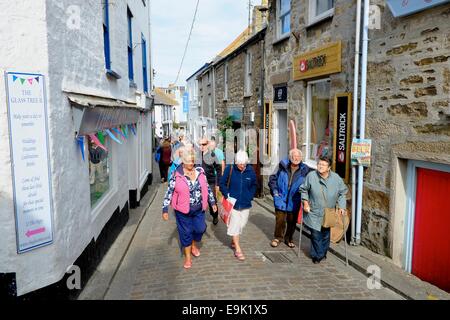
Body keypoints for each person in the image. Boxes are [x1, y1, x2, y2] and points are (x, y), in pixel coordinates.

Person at [162, 148, 217, 269]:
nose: (191, 163)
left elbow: (207, 188)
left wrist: (212, 202)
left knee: (200, 229)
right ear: (182, 161)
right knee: (185, 233)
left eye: (192, 161)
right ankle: (187, 257)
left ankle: (193, 244)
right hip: (182, 211)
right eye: (188, 161)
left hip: (199, 209)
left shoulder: (200, 171)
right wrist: (165, 209)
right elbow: (169, 192)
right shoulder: (176, 175)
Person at [299, 156, 348, 264]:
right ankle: (317, 255)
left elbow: (343, 192)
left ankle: (322, 252)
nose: (320, 166)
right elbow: (303, 189)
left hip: (329, 211)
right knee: (316, 234)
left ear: (329, 167)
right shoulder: (311, 176)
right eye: (319, 164)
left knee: (326, 234)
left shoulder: (336, 178)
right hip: (314, 211)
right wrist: (305, 202)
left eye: (323, 165)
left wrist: (341, 206)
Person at [268, 149, 312, 248]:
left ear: (301, 158)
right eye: (294, 156)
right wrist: (275, 192)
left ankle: (289, 238)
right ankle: (278, 237)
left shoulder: (305, 170)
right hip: (281, 197)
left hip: (295, 199)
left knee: (292, 221)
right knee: (280, 219)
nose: (296, 158)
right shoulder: (282, 166)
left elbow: (309, 184)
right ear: (290, 157)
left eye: (298, 157)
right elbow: (272, 179)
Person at [219, 150, 257, 261]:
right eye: (240, 164)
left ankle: (234, 239)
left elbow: (254, 184)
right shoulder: (230, 169)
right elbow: (222, 183)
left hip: (245, 203)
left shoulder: (250, 171)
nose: (242, 166)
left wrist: (250, 195)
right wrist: (227, 195)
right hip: (233, 204)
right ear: (236, 162)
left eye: (244, 164)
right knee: (235, 223)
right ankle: (238, 249)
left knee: (242, 224)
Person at [198, 137, 222, 225]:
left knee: (212, 200)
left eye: (203, 144)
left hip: (210, 181)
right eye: (200, 144)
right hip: (199, 182)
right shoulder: (197, 155)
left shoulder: (212, 155)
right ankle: (199, 221)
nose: (201, 146)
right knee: (199, 201)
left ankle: (214, 215)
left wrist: (218, 183)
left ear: (207, 144)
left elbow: (218, 169)